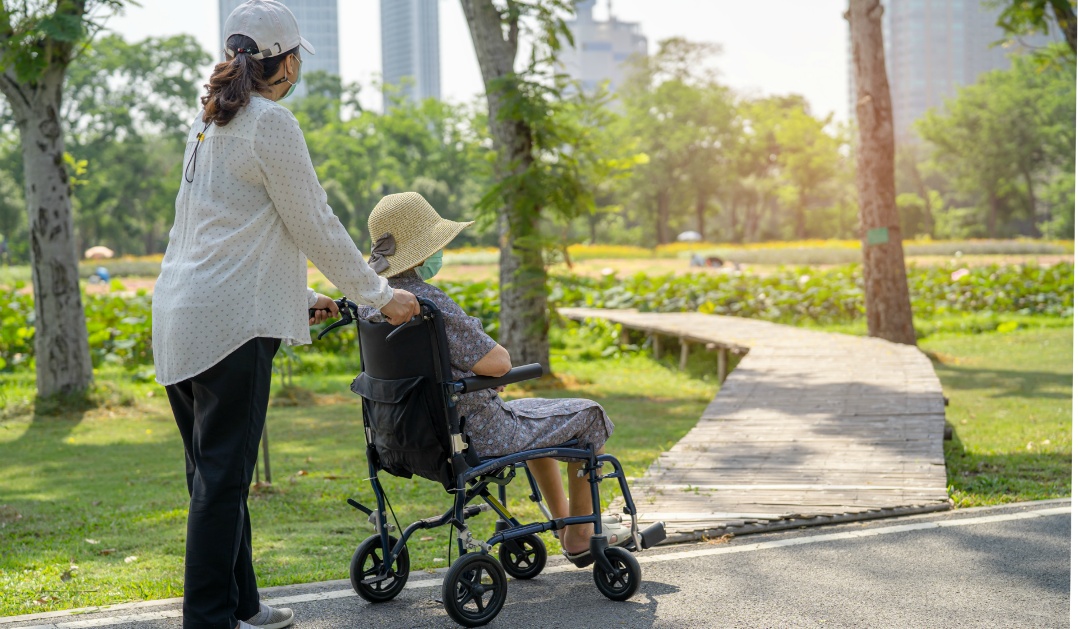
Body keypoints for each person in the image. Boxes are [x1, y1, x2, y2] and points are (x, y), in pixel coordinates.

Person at [151, 3, 419, 628]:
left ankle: (241, 607)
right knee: (222, 481)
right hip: (228, 329)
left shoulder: (211, 122)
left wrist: (298, 300)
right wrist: (381, 295)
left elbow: (216, 234)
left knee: (212, 476)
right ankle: (209, 619)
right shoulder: (270, 123)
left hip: (179, 316)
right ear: (288, 62)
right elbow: (316, 226)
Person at [355, 192, 631, 568]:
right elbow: (499, 363)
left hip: (405, 436)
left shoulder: (370, 304)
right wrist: (485, 373)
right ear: (424, 250)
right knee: (589, 414)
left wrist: (470, 375)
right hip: (476, 431)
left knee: (541, 423)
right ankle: (580, 535)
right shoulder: (429, 304)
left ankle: (566, 523)